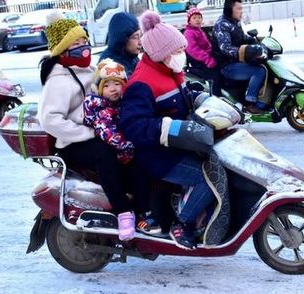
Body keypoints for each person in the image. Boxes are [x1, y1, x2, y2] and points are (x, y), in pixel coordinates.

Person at [119, 11, 215, 250]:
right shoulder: (142, 83)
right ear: (161, 54)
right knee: (207, 178)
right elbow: (133, 126)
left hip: (180, 144)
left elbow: (182, 97)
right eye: (177, 51)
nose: (182, 55)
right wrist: (168, 127)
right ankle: (183, 223)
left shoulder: (171, 71)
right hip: (158, 155)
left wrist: (203, 99)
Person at [37, 11, 136, 241]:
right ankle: (123, 212)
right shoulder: (58, 80)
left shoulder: (90, 71)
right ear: (63, 48)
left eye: (84, 41)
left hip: (98, 130)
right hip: (73, 142)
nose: (83, 47)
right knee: (106, 153)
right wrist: (88, 132)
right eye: (76, 43)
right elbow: (50, 120)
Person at [84, 58, 159, 234]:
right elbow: (108, 134)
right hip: (117, 155)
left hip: (127, 153)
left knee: (143, 175)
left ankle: (146, 211)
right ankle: (138, 214)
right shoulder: (101, 108)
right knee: (137, 176)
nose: (113, 88)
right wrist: (129, 144)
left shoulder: (122, 104)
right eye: (107, 85)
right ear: (99, 88)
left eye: (117, 84)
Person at [212, 0, 267, 114]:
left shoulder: (235, 22)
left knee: (262, 64)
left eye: (241, 8)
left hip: (236, 61)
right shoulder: (222, 25)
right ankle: (250, 103)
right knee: (259, 71)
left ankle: (263, 100)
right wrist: (246, 51)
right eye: (239, 9)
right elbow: (225, 48)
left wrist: (257, 42)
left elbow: (243, 37)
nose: (241, 12)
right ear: (229, 9)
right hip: (226, 65)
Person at [183, 7, 222, 96]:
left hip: (207, 58)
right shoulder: (189, 33)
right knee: (215, 76)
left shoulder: (199, 30)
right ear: (189, 21)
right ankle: (216, 97)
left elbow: (208, 45)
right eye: (194, 18)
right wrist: (208, 60)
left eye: (199, 17)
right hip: (200, 62)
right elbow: (194, 50)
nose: (197, 20)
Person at [98, 12, 142, 77]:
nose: (140, 42)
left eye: (140, 36)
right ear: (122, 38)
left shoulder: (131, 57)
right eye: (135, 37)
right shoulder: (110, 66)